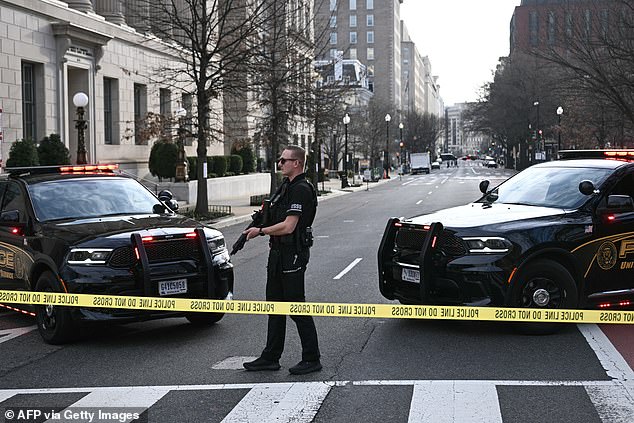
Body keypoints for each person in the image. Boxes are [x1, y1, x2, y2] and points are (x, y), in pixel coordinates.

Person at [242, 145, 321, 375]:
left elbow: (289, 226)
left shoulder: (301, 189)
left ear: (296, 163)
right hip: (277, 254)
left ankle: (312, 358)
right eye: (280, 159)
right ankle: (270, 357)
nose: (280, 164)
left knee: (296, 306)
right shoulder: (286, 187)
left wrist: (262, 231)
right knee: (274, 306)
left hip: (293, 254)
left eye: (284, 160)